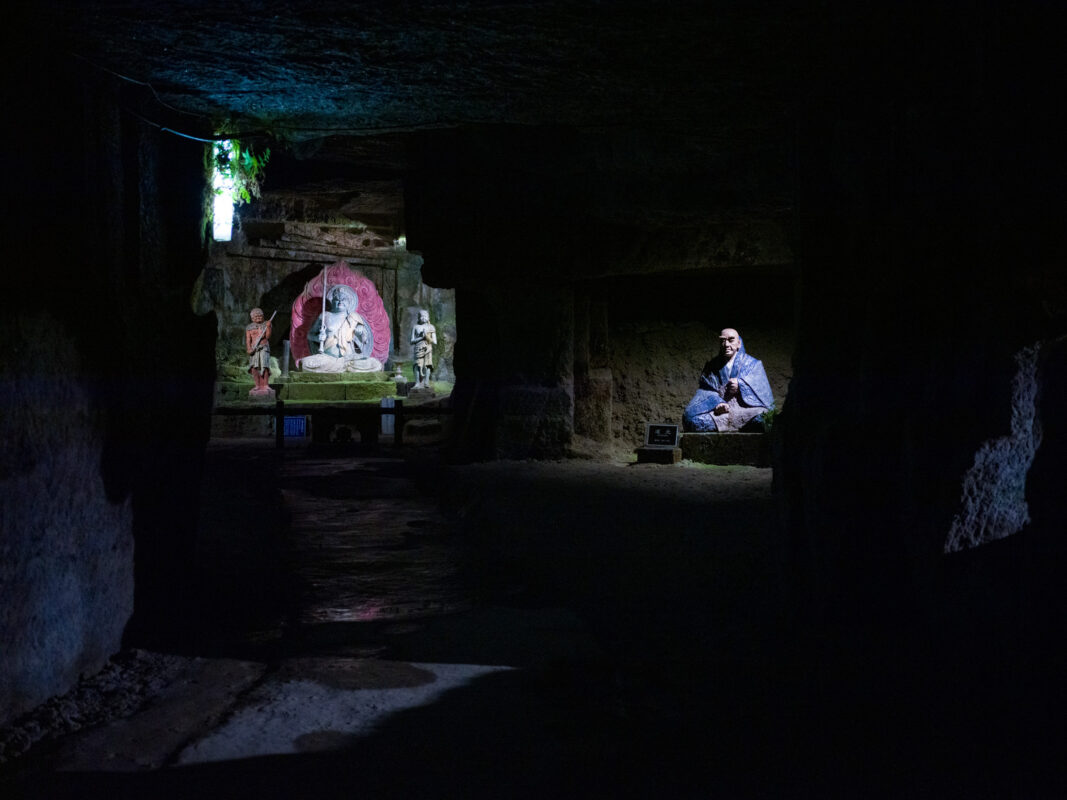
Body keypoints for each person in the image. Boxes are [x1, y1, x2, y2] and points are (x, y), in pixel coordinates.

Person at [683, 327, 774, 432]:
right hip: (721, 414)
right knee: (694, 422)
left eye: (731, 340)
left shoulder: (753, 364)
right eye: (722, 341)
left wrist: (741, 385)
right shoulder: (712, 366)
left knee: (764, 419)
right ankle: (738, 428)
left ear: (739, 343)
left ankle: (736, 427)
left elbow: (763, 393)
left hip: (746, 411)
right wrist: (718, 403)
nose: (726, 345)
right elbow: (705, 391)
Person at [245, 307, 274, 396]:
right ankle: (257, 385)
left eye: (260, 316)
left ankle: (265, 385)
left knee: (265, 365)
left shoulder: (266, 324)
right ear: (252, 318)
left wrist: (268, 327)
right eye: (256, 317)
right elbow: (248, 339)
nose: (258, 318)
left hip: (264, 347)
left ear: (263, 316)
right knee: (254, 367)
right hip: (254, 348)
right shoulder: (249, 327)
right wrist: (249, 348)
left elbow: (268, 336)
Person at [410, 309, 437, 388]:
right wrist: (421, 337)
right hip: (418, 348)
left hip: (428, 348)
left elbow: (435, 342)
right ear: (418, 317)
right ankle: (417, 382)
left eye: (425, 316)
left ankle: (426, 382)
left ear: (428, 317)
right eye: (421, 316)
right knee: (417, 365)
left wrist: (427, 336)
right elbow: (411, 341)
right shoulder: (416, 327)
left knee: (428, 365)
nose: (423, 318)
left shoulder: (431, 327)